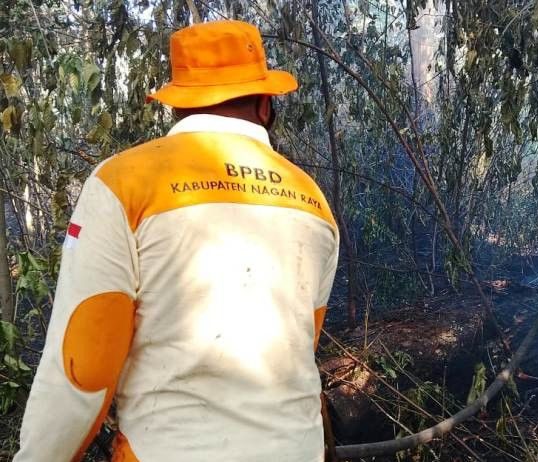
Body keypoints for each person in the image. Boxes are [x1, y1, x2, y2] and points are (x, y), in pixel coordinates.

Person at [14, 20, 339, 461]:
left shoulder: (122, 184)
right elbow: (302, 342)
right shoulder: (312, 201)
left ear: (179, 105)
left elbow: (81, 374)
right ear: (265, 105)